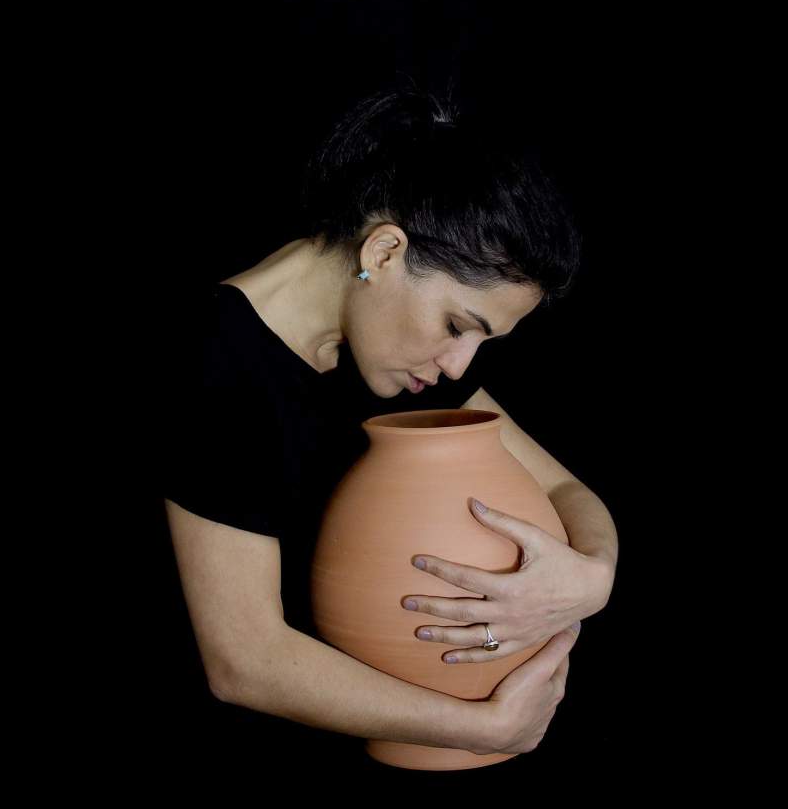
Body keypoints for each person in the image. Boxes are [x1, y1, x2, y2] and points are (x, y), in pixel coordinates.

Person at [157, 82, 618, 758]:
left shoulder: (383, 349)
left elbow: (565, 489)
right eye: (457, 326)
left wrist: (592, 577)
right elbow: (244, 660)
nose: (458, 366)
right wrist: (486, 728)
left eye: (482, 342)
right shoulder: (215, 363)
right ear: (383, 253)